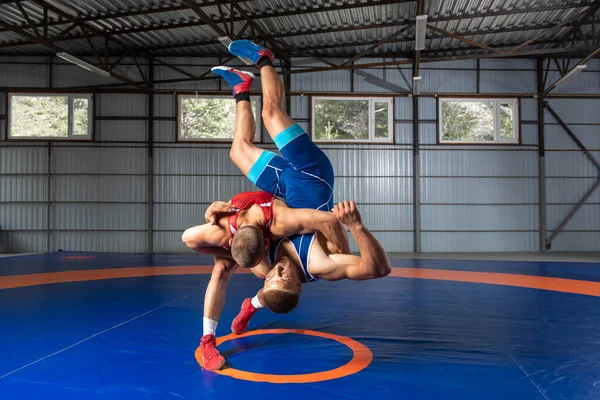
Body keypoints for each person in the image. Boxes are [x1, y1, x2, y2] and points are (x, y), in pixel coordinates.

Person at [192, 40, 390, 371]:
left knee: (238, 151)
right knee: (271, 113)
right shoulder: (320, 265)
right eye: (285, 275)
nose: (279, 269)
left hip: (285, 188)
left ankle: (241, 87)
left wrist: (250, 305)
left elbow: (256, 271)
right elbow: (375, 268)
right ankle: (264, 58)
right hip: (314, 177)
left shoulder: (263, 267)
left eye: (273, 276)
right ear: (298, 283)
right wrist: (350, 228)